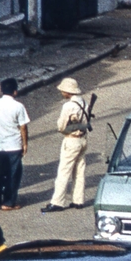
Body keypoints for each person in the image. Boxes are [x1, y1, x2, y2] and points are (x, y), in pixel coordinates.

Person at [44, 78, 90, 213]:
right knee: (80, 170)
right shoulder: (84, 102)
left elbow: (61, 126)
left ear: (67, 91)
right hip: (83, 138)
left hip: (71, 139)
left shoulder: (68, 106)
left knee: (64, 171)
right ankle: (78, 200)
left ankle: (57, 202)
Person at [0, 77, 29, 210]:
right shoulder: (18, 106)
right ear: (15, 92)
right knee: (13, 174)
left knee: (0, 172)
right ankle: (8, 202)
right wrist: (25, 144)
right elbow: (23, 127)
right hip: (14, 144)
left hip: (0, 145)